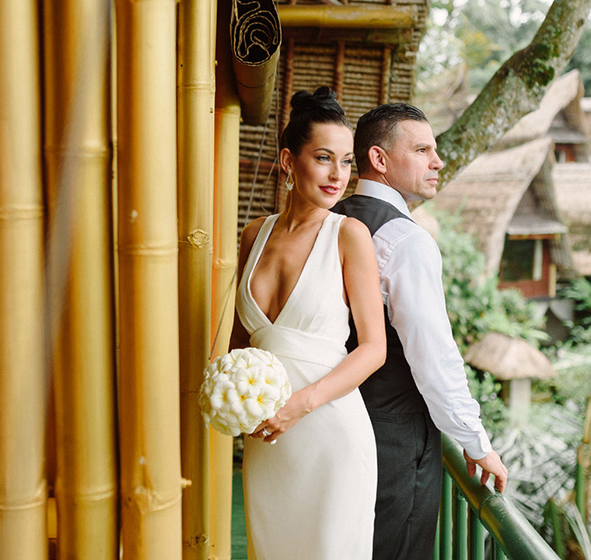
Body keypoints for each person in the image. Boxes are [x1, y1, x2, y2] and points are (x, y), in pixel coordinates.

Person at [332, 103, 509, 560]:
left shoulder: (329, 220)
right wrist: (476, 442)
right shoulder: (406, 241)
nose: (438, 161)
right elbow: (433, 358)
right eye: (423, 149)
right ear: (379, 159)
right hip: (395, 437)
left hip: (334, 424)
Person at [229, 86, 387, 560]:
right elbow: (242, 345)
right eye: (323, 158)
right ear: (287, 161)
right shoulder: (254, 234)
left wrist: (300, 404)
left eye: (345, 162)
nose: (338, 174)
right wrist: (231, 398)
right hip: (268, 445)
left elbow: (373, 349)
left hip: (330, 435)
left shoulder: (349, 235)